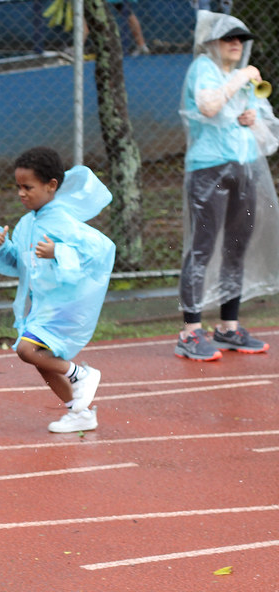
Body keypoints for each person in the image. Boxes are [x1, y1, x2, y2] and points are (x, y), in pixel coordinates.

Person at [0, 147, 116, 433]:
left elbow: (102, 250)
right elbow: (21, 264)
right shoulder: (27, 224)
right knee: (43, 361)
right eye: (18, 187)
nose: (21, 193)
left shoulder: (61, 221)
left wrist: (59, 251)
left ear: (51, 186)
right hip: (44, 306)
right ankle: (81, 413)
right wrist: (1, 247)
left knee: (28, 350)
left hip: (67, 305)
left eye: (28, 187)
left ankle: (81, 374)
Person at [174, 11, 279, 361]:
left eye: (241, 39)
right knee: (202, 247)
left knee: (237, 245)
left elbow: (268, 137)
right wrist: (245, 76)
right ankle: (190, 332)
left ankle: (228, 327)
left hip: (244, 169)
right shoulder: (204, 68)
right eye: (228, 38)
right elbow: (208, 105)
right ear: (211, 43)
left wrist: (254, 121)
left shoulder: (240, 79)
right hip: (208, 170)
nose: (236, 44)